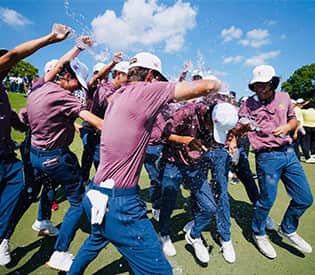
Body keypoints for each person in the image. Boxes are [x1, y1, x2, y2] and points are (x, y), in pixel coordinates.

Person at [68, 52, 221, 275]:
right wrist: (219, 85)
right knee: (160, 271)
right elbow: (206, 86)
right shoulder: (146, 90)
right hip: (119, 203)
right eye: (159, 77)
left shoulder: (119, 95)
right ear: (150, 75)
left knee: (96, 239)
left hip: (96, 193)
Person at [0, 23, 72, 266]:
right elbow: (13, 55)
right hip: (17, 154)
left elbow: (10, 116)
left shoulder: (2, 91)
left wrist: (22, 123)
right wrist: (51, 38)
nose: (8, 68)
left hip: (9, 157)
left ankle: (3, 238)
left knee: (24, 189)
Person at [27, 56, 103, 272]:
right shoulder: (64, 96)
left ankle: (42, 220)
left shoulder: (38, 86)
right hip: (56, 157)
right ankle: (60, 253)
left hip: (35, 153)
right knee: (77, 201)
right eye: (77, 83)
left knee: (49, 186)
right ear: (67, 77)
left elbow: (26, 117)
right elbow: (94, 120)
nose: (78, 88)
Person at [236, 64, 313, 259]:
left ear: (272, 83)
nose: (260, 89)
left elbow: (294, 121)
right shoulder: (247, 104)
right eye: (256, 86)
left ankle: (287, 228)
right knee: (267, 200)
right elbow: (238, 128)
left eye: (264, 85)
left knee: (305, 198)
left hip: (289, 154)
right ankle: (258, 232)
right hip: (267, 158)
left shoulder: (285, 98)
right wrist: (240, 130)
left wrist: (288, 126)